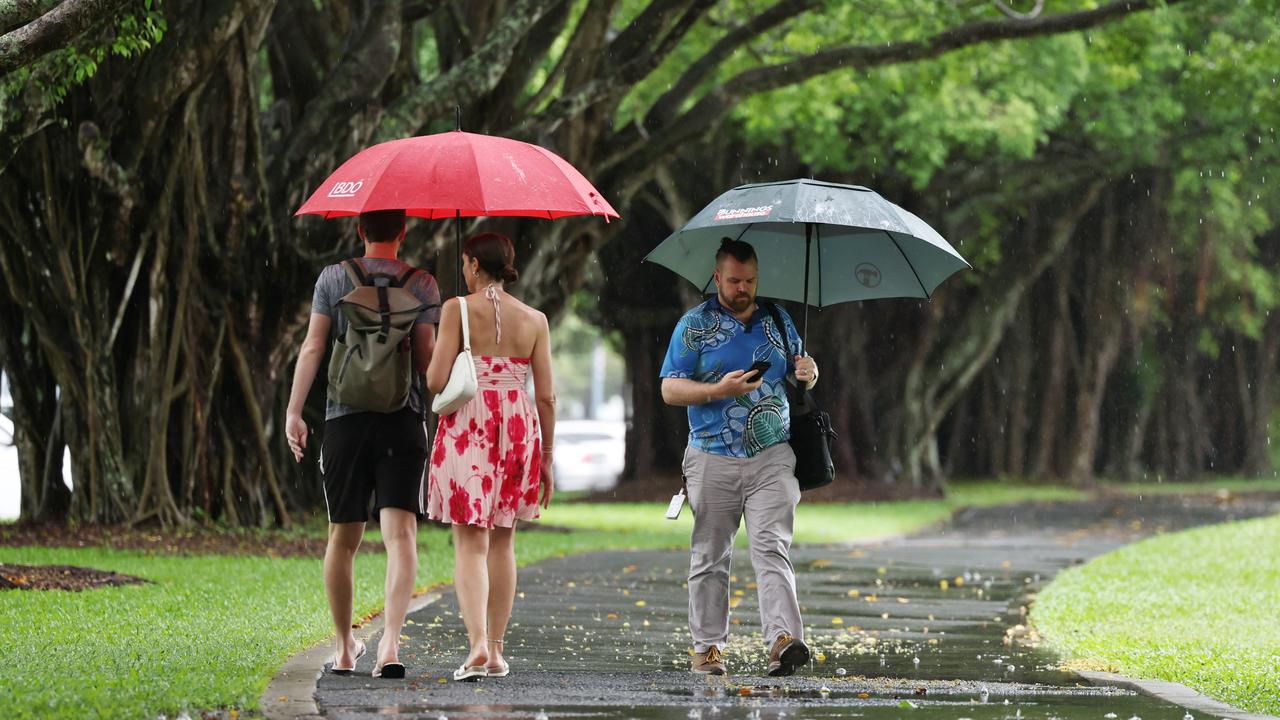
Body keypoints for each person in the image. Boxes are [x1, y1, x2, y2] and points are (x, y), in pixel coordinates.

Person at [285, 209, 440, 679]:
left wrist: (294, 411)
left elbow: (313, 347)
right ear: (403, 232)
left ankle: (344, 646)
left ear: (359, 231)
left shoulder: (334, 279)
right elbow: (428, 362)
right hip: (402, 420)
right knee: (401, 536)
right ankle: (388, 645)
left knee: (343, 536)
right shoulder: (423, 284)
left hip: (344, 422)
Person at [659, 237, 820, 677]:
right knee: (711, 556)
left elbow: (801, 373)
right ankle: (708, 648)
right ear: (717, 278)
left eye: (749, 280)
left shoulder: (779, 320)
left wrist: (809, 372)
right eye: (733, 281)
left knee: (772, 547)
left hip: (773, 455)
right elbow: (669, 388)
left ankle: (783, 640)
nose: (742, 288)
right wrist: (717, 390)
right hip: (711, 455)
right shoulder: (694, 326)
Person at [425, 231, 555, 681]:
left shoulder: (456, 308)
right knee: (503, 540)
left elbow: (436, 380)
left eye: (465, 264)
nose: (464, 271)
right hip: (518, 427)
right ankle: (496, 651)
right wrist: (548, 458)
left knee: (469, 542)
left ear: (474, 265)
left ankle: (477, 644)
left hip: (469, 426)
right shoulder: (535, 319)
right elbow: (548, 398)